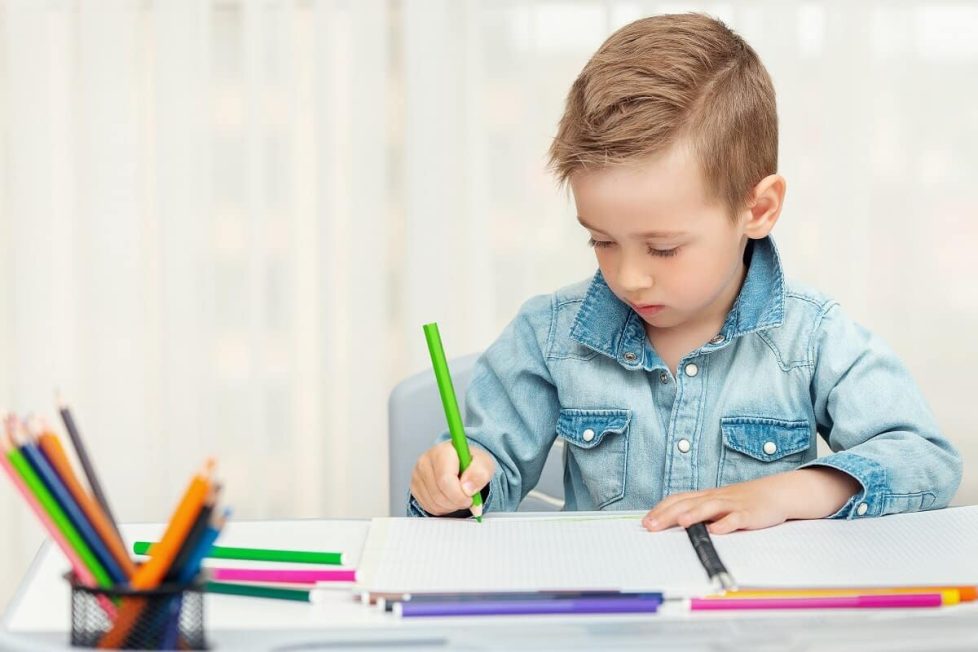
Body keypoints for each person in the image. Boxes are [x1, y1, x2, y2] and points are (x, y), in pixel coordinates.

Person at [407, 13, 961, 533]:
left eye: (664, 248)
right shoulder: (549, 335)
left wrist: (785, 494)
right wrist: (456, 481)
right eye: (601, 240)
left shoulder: (810, 336)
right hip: (609, 622)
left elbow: (924, 459)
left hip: (751, 620)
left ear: (758, 209)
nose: (629, 277)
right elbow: (486, 470)